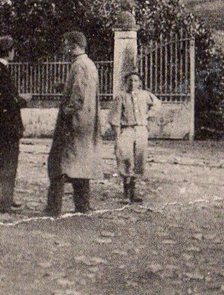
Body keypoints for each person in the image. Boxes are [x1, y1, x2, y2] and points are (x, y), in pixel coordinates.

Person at [45, 31, 102, 217]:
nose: (64, 47)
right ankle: (82, 206)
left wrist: (66, 114)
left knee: (59, 164)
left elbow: (78, 96)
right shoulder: (89, 64)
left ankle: (54, 209)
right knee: (80, 164)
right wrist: (65, 87)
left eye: (66, 43)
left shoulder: (79, 66)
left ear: (73, 44)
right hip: (86, 123)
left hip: (74, 123)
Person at [0, 36, 30, 213]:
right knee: (8, 163)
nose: (14, 53)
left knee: (4, 162)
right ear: (8, 52)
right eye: (13, 50)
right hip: (7, 126)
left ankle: (4, 198)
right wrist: (23, 100)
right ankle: (3, 203)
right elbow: (7, 101)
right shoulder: (1, 71)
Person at [107, 71, 161, 202]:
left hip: (141, 130)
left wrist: (148, 115)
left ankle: (134, 192)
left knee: (139, 159)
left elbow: (157, 104)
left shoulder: (145, 95)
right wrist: (118, 132)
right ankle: (126, 193)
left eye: (135, 80)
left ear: (140, 83)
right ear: (126, 82)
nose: (133, 83)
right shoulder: (121, 97)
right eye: (130, 80)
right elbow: (115, 116)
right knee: (125, 158)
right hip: (127, 130)